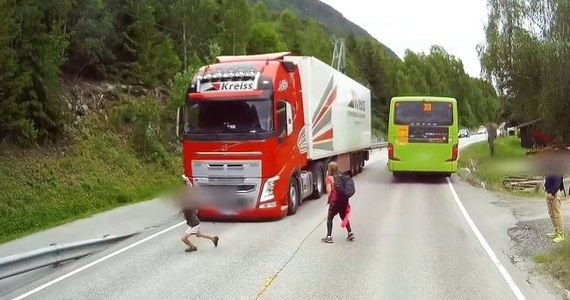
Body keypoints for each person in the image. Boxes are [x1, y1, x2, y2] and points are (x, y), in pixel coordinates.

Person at [180, 176, 219, 252]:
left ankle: (193, 247)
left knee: (184, 239)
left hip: (194, 224)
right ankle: (213, 238)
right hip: (194, 223)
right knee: (199, 235)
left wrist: (186, 180)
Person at [321, 161, 355, 243]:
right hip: (343, 200)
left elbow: (329, 191)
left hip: (335, 201)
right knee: (343, 216)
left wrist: (328, 200)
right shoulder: (340, 177)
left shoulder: (328, 179)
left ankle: (329, 237)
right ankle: (350, 233)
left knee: (330, 218)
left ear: (329, 169)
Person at [544, 173, 565, 243]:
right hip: (548, 192)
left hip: (555, 193)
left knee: (557, 213)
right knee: (551, 213)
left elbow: (557, 182)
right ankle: (556, 231)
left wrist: (552, 194)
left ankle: (561, 235)